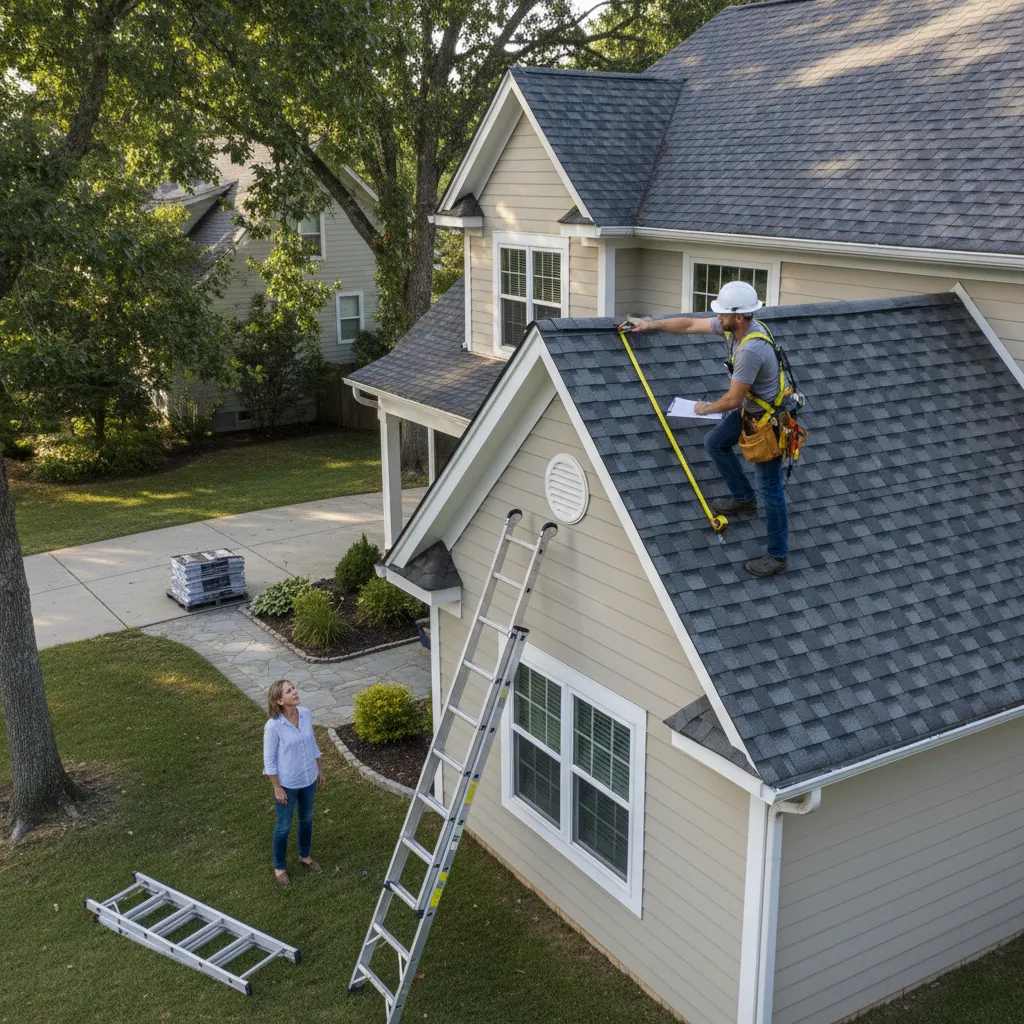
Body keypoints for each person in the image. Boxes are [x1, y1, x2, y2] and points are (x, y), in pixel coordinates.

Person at [624, 280, 789, 578]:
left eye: (723, 314)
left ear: (739, 316)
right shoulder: (738, 328)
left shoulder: (750, 349)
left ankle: (778, 556)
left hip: (766, 424)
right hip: (750, 412)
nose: (718, 318)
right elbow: (688, 325)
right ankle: (744, 500)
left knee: (772, 490)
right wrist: (649, 325)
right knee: (716, 442)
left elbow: (733, 398)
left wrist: (704, 408)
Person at [263, 679, 326, 885]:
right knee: (283, 826)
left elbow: (312, 743)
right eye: (289, 691)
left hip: (308, 778)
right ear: (279, 700)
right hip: (287, 784)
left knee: (306, 819)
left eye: (294, 688)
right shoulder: (273, 726)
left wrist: (320, 770)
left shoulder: (305, 714)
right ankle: (279, 867)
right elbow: (269, 760)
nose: (295, 692)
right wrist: (277, 787)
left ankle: (304, 856)